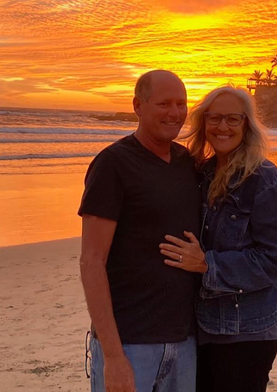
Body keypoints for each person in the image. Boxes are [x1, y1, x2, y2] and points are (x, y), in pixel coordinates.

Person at [159, 86, 277, 392]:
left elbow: (275, 261)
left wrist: (207, 265)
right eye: (215, 118)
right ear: (204, 123)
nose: (223, 127)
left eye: (233, 119)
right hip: (202, 327)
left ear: (247, 124)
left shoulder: (263, 178)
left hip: (246, 332)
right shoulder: (202, 173)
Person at [79, 70, 201, 392]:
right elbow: (91, 261)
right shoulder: (112, 165)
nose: (175, 113)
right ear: (138, 105)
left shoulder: (187, 163)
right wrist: (113, 355)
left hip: (185, 341)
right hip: (130, 343)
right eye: (164, 103)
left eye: (181, 104)